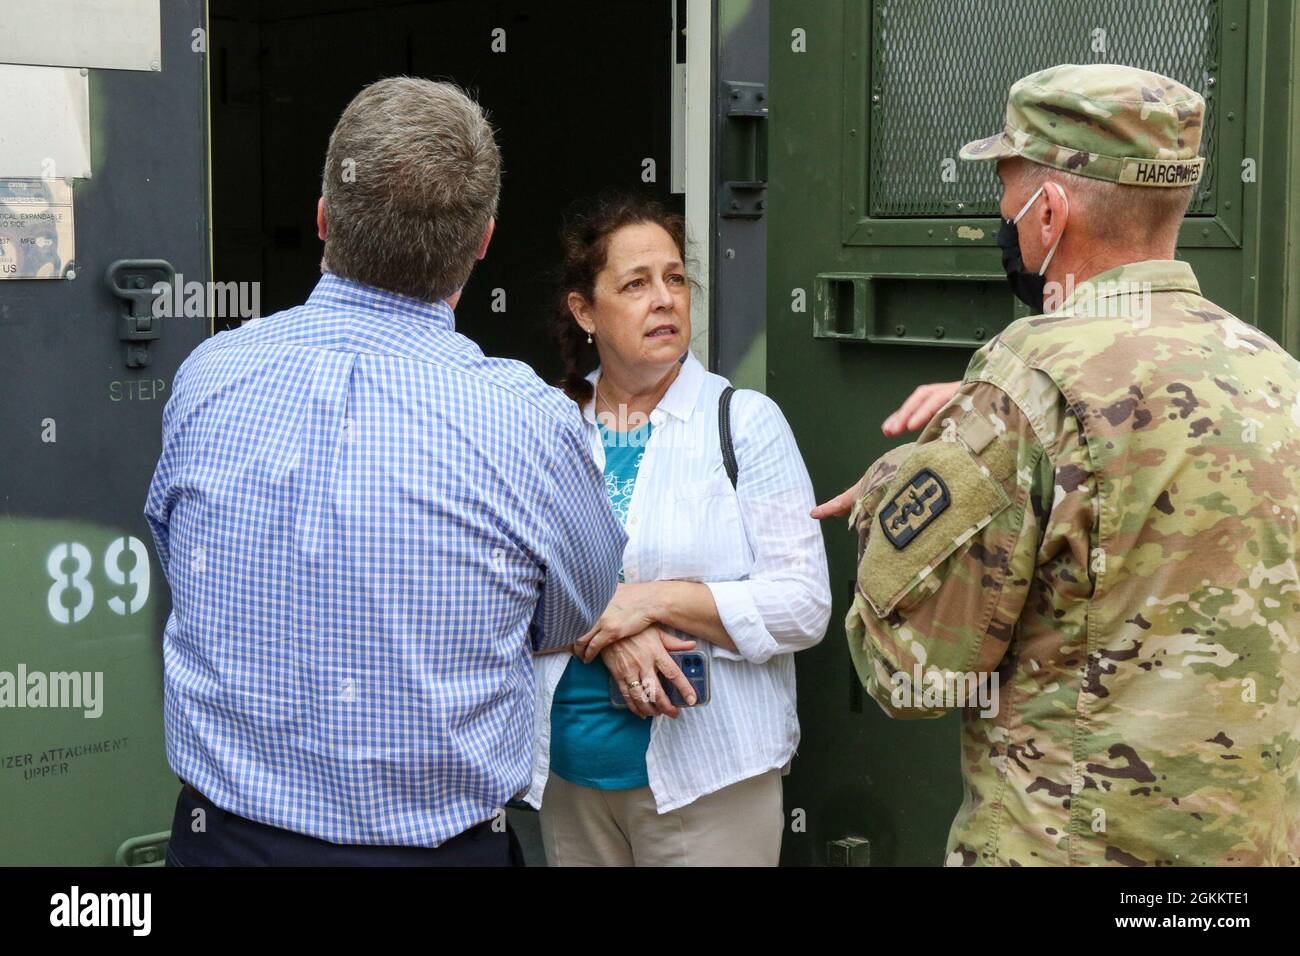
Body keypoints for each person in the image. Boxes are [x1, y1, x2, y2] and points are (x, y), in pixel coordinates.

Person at [814, 64, 1300, 866]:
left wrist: (891, 496)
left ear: (1050, 211)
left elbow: (912, 678)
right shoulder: (1276, 373)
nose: (1001, 217)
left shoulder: (1028, 381)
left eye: (1005, 193)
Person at [144, 78, 625, 866]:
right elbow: (574, 614)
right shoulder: (533, 423)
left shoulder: (209, 375)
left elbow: (181, 565)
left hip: (225, 846)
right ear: (482, 241)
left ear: (326, 217)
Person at [525, 192, 832, 866]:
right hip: (569, 779)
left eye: (674, 278)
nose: (664, 299)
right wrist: (608, 628)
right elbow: (506, 587)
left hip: (710, 784)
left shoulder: (745, 422)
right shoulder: (547, 425)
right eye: (635, 284)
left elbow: (804, 605)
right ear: (584, 311)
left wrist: (653, 601)